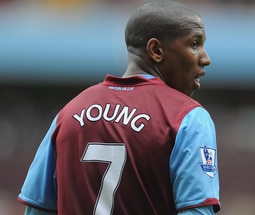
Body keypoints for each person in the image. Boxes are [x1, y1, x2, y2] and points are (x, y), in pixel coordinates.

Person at [17, 0, 220, 214]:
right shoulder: (188, 118)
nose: (206, 59)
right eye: (195, 44)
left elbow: (38, 208)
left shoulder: (69, 113)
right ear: (156, 50)